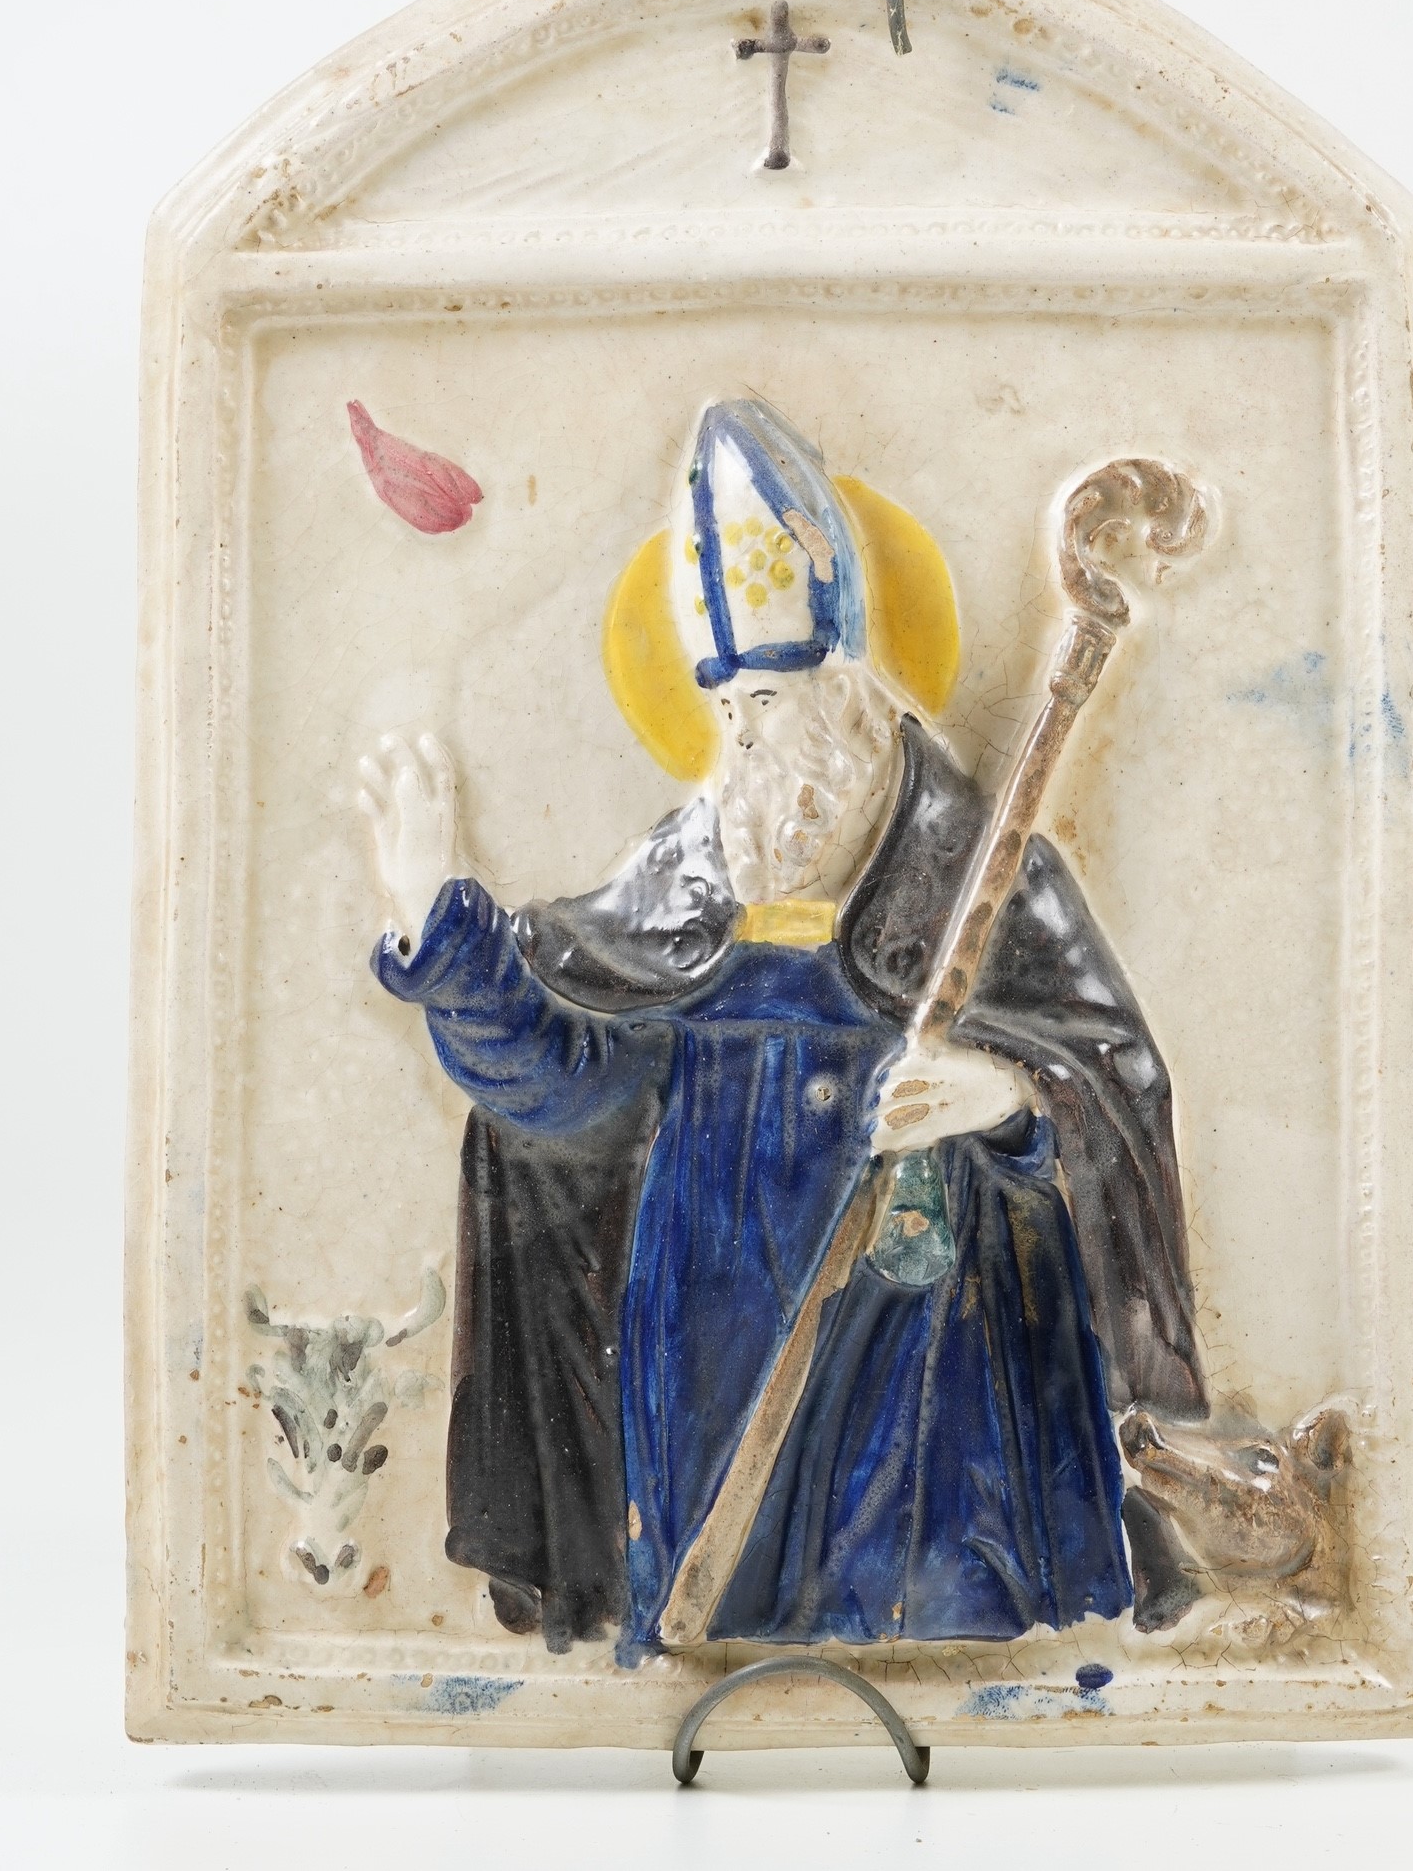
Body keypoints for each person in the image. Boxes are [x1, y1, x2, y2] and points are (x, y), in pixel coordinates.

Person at [358, 397, 1205, 1660]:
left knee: (911, 1595)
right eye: (730, 710)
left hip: (920, 1326)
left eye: (770, 696)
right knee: (715, 1592)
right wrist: (443, 928)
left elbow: (1112, 1073)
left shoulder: (979, 869)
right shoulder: (687, 876)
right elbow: (563, 1090)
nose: (747, 740)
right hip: (702, 1322)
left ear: (850, 691)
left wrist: (1006, 1099)